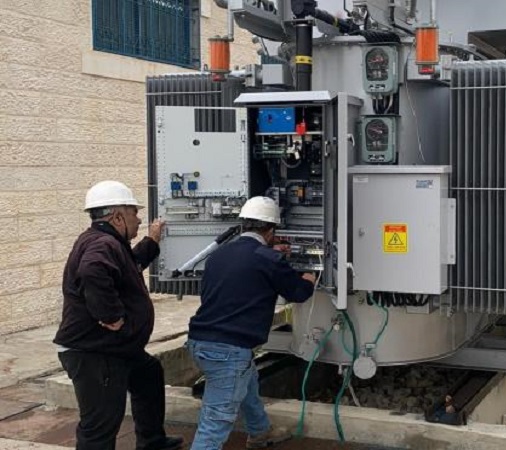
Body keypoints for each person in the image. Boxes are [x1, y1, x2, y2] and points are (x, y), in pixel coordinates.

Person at [54, 180, 184, 450]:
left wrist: (152, 240)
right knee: (100, 427)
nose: (139, 219)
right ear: (117, 217)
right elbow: (93, 270)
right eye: (134, 213)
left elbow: (129, 265)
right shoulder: (103, 244)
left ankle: (152, 442)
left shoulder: (106, 241)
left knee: (148, 374)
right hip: (95, 353)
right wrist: (111, 315)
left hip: (117, 348)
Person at [187, 196, 316, 450]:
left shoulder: (218, 255)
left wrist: (271, 256)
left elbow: (238, 277)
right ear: (271, 231)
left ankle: (260, 432)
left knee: (247, 381)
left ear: (244, 225)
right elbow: (298, 293)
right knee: (215, 422)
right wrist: (309, 279)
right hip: (229, 350)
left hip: (198, 342)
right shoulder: (269, 260)